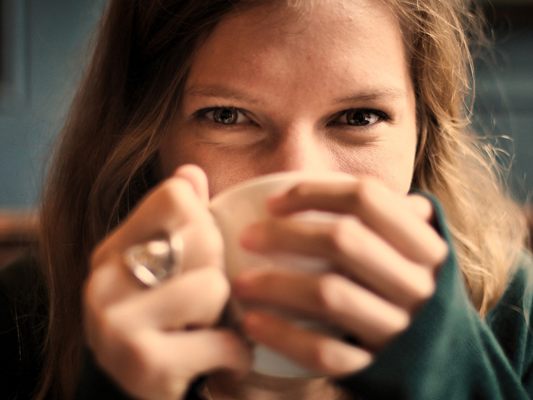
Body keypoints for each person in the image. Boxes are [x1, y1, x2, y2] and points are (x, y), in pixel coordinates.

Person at [0, 0, 531, 399]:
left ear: (424, 135)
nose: (298, 178)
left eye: (359, 117)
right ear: (145, 140)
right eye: (227, 115)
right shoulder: (27, 316)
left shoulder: (514, 315)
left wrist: (452, 377)